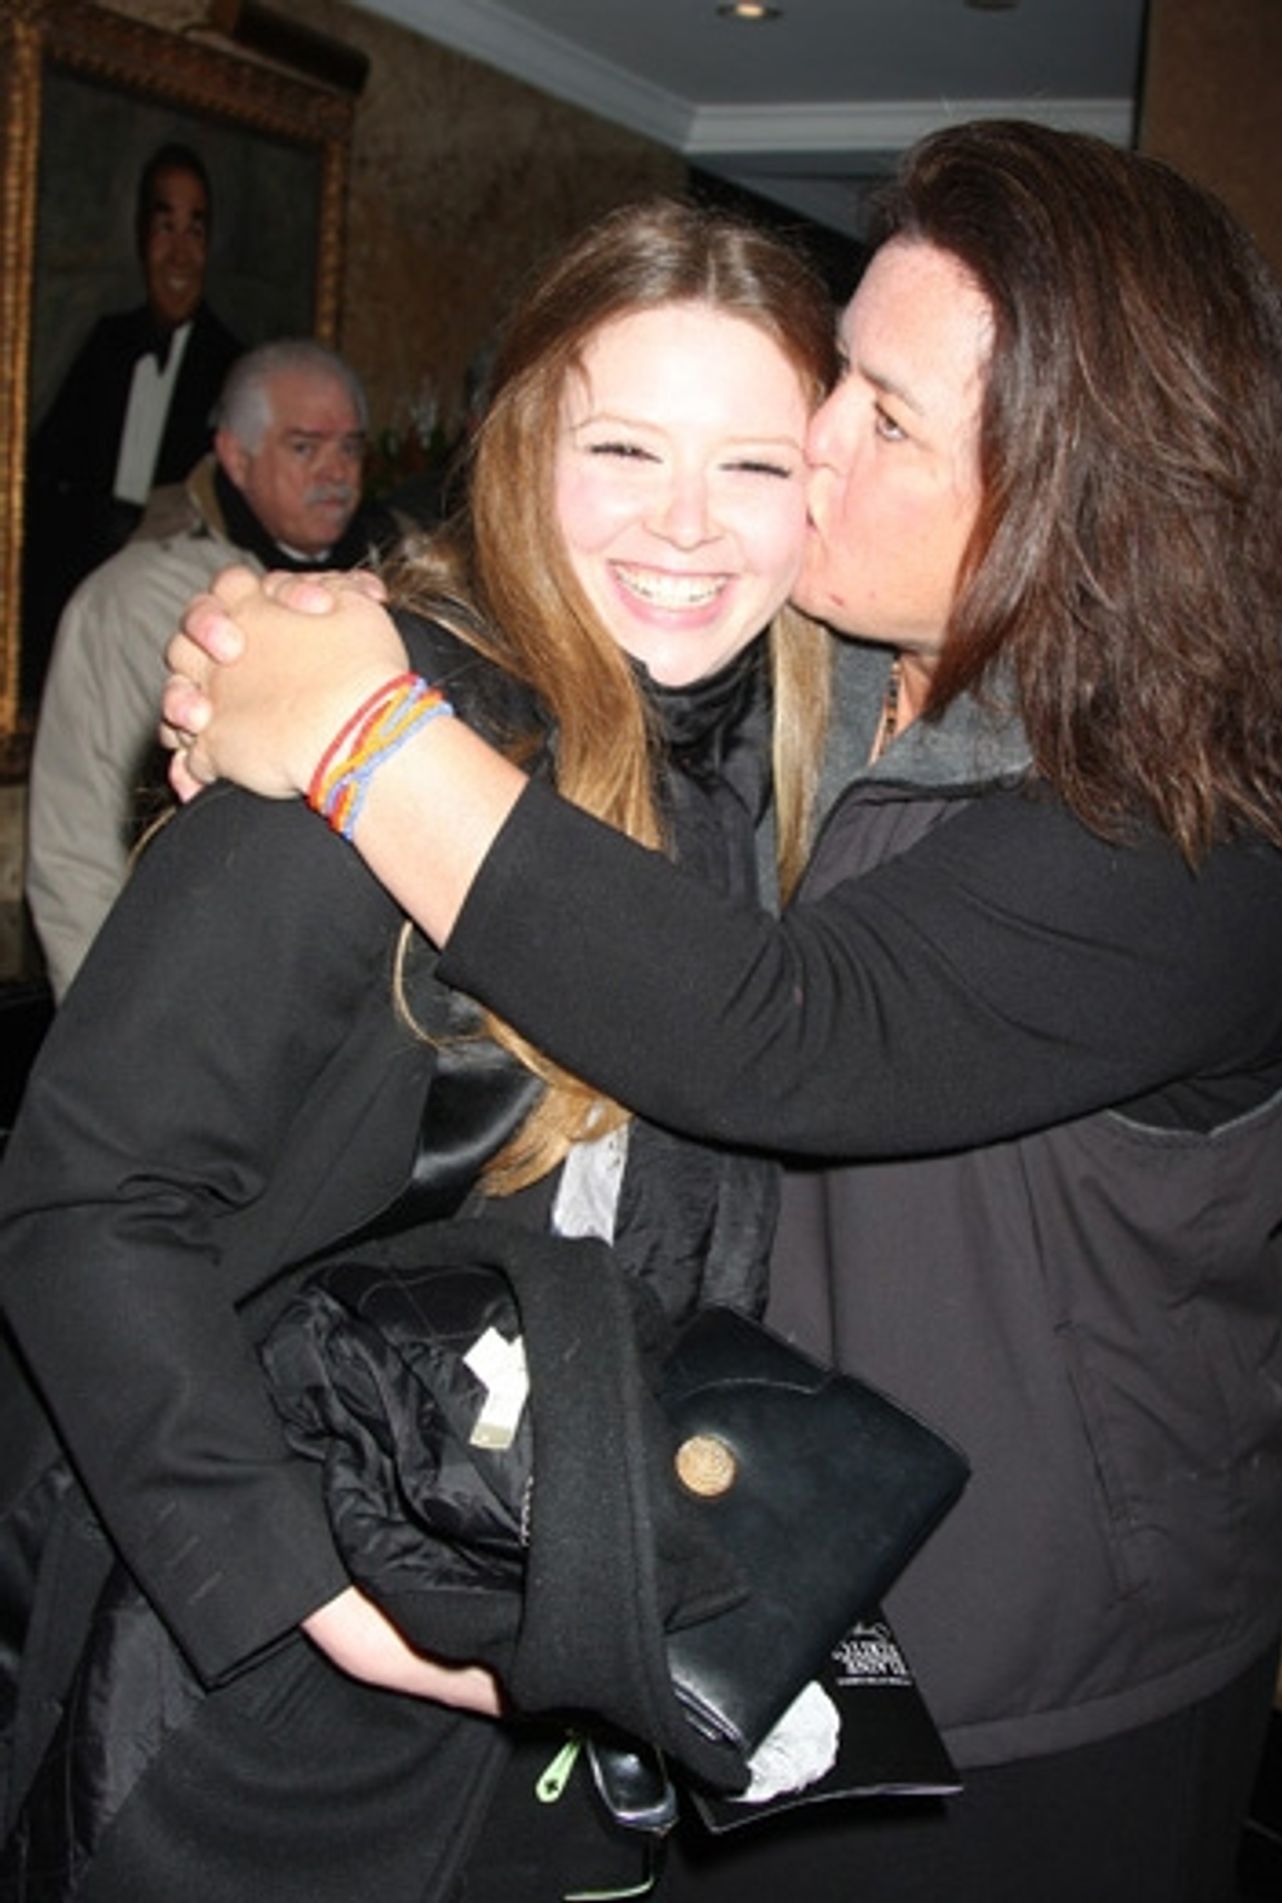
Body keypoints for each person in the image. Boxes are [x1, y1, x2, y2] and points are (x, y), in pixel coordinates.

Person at [164, 121, 1282, 1902]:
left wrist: (360, 735)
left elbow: (774, 1029)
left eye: (881, 418)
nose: (811, 449)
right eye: (841, 384)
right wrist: (332, 631)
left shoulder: (1180, 841)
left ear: (1080, 492)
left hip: (1036, 1699)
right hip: (791, 1588)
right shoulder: (875, 684)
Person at [0, 200, 836, 1903]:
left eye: (755, 465)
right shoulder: (373, 736)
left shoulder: (767, 777)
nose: (691, 526)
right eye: (625, 446)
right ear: (529, 447)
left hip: (556, 1682)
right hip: (258, 1687)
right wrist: (321, 1591)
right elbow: (83, 1197)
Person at [26, 337, 398, 999]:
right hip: (189, 985)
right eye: (305, 446)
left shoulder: (398, 575)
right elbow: (74, 842)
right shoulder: (133, 602)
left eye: (350, 447)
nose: (337, 472)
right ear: (235, 453)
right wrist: (110, 1034)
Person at [23, 145, 243, 703]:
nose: (178, 253)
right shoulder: (104, 345)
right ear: (140, 237)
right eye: (164, 225)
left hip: (164, 627)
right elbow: (43, 481)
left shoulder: (235, 368)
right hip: (70, 612)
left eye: (195, 229)